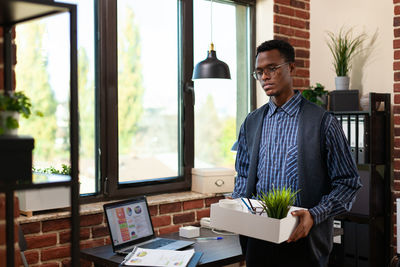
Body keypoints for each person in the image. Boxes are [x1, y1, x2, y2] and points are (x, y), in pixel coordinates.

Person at [231, 39, 361, 267]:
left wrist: (315, 214)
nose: (265, 77)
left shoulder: (323, 122)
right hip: (258, 239)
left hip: (304, 240)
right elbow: (242, 173)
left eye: (272, 68)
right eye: (259, 72)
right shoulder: (251, 122)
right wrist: (239, 205)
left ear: (291, 68)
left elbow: (348, 183)